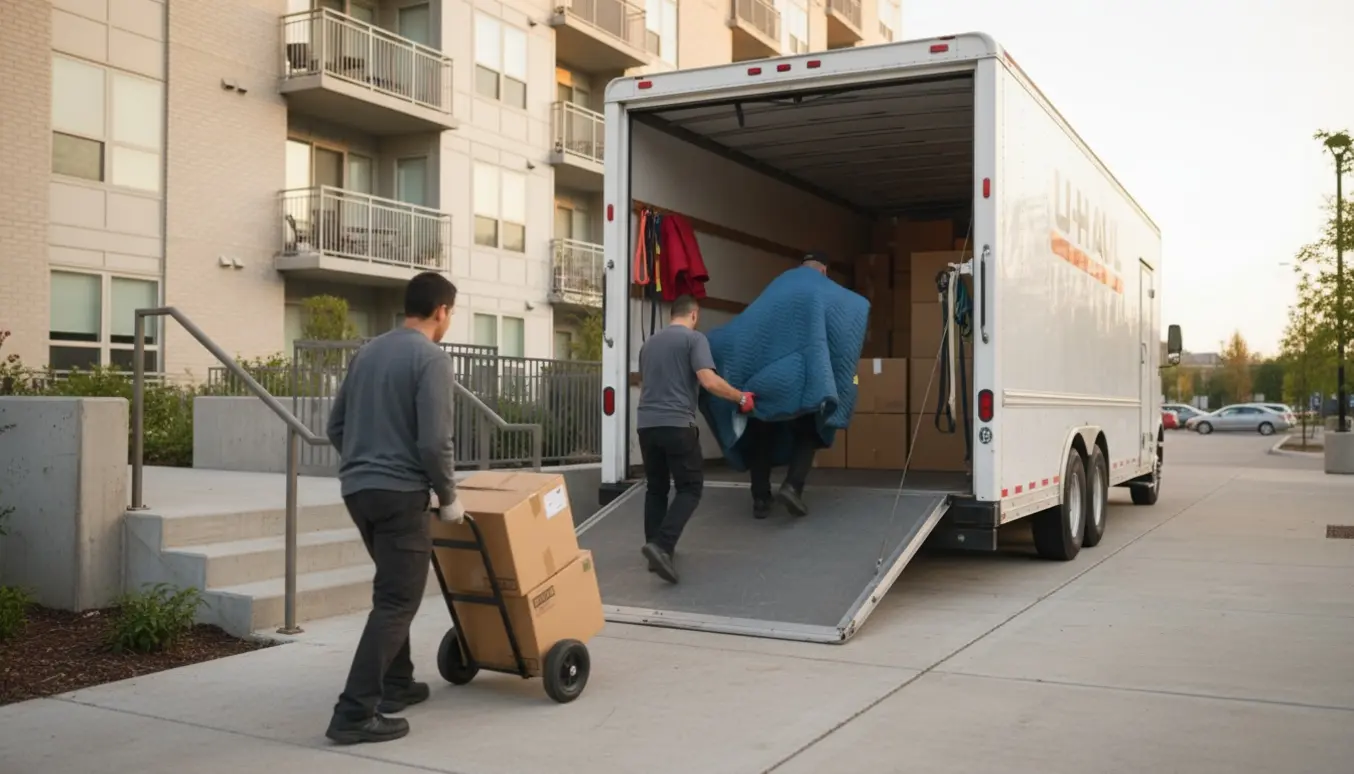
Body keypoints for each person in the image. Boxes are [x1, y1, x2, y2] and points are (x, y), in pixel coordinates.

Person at [323, 271, 464, 746]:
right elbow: (433, 441)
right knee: (398, 600)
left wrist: (365, 462)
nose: (449, 321)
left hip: (358, 491)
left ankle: (397, 684)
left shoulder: (368, 352)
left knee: (390, 590)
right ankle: (354, 713)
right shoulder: (432, 359)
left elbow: (335, 425)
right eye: (451, 314)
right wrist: (448, 496)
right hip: (401, 495)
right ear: (441, 311)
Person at [636, 294, 753, 583]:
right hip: (676, 424)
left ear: (671, 315)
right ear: (694, 315)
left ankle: (654, 547)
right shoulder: (694, 339)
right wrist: (740, 397)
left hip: (646, 425)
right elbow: (709, 380)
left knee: (657, 488)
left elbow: (643, 383)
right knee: (690, 487)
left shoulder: (649, 344)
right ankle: (663, 545)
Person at [746, 252, 832, 519]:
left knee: (761, 436)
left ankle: (760, 499)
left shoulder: (772, 292)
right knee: (808, 433)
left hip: (761, 378)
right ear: (824, 272)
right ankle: (792, 487)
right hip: (796, 379)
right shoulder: (820, 296)